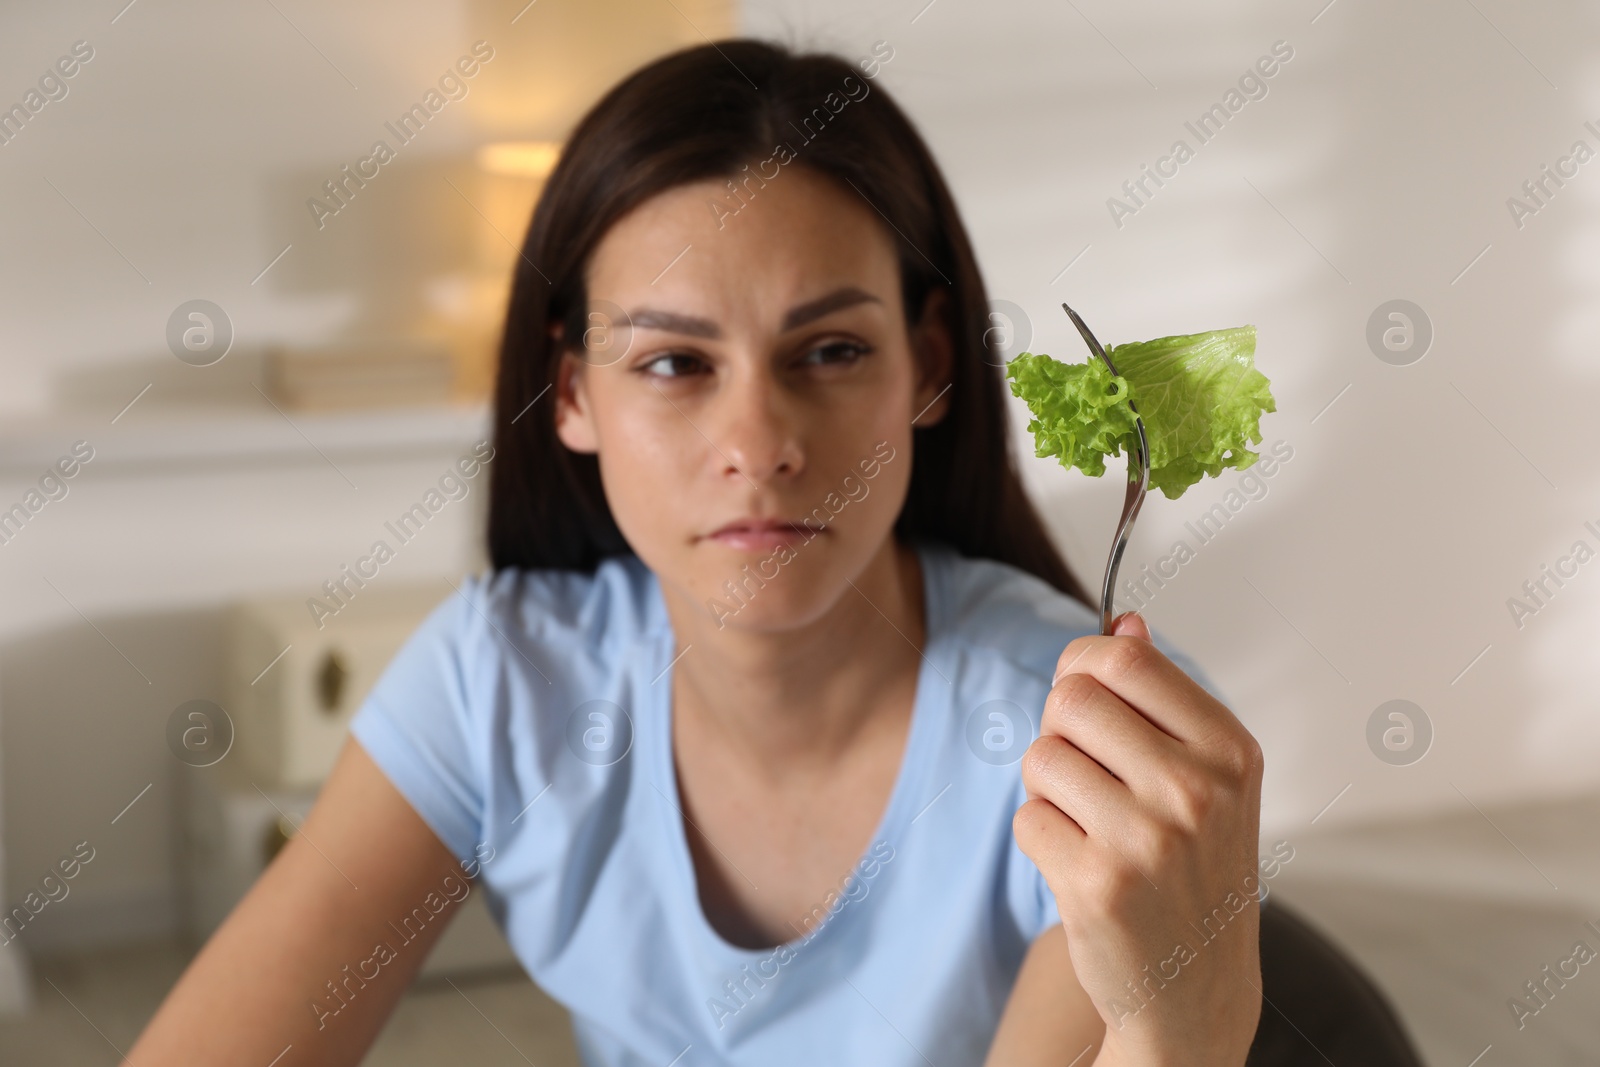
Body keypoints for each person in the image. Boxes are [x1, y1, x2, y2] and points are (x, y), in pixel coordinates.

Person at [129, 38, 1273, 1066]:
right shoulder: (497, 679)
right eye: (674, 363)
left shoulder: (1099, 762)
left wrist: (1174, 1024)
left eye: (827, 350)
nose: (759, 445)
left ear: (926, 366)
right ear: (571, 393)